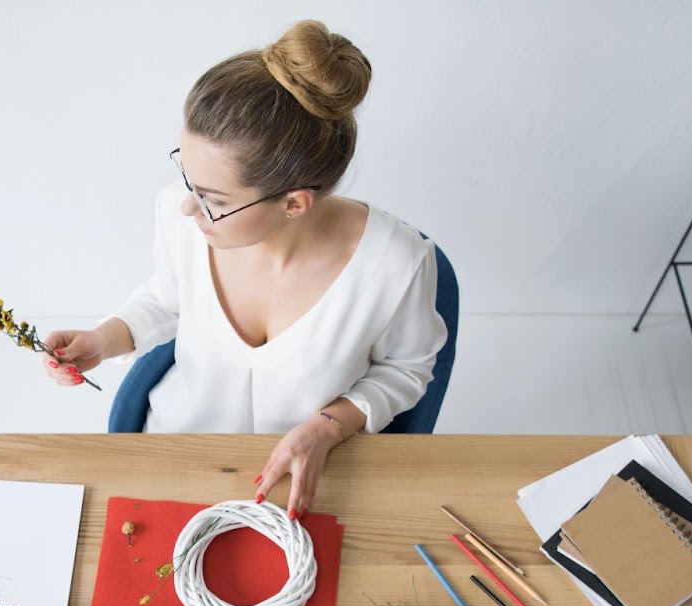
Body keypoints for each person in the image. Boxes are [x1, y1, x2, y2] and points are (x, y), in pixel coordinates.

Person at [42, 20, 446, 518]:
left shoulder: (397, 264)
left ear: (294, 203)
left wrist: (326, 427)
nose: (189, 208)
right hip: (178, 461)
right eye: (187, 176)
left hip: (305, 483)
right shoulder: (179, 215)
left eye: (212, 200)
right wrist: (103, 340)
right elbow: (168, 300)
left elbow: (405, 370)